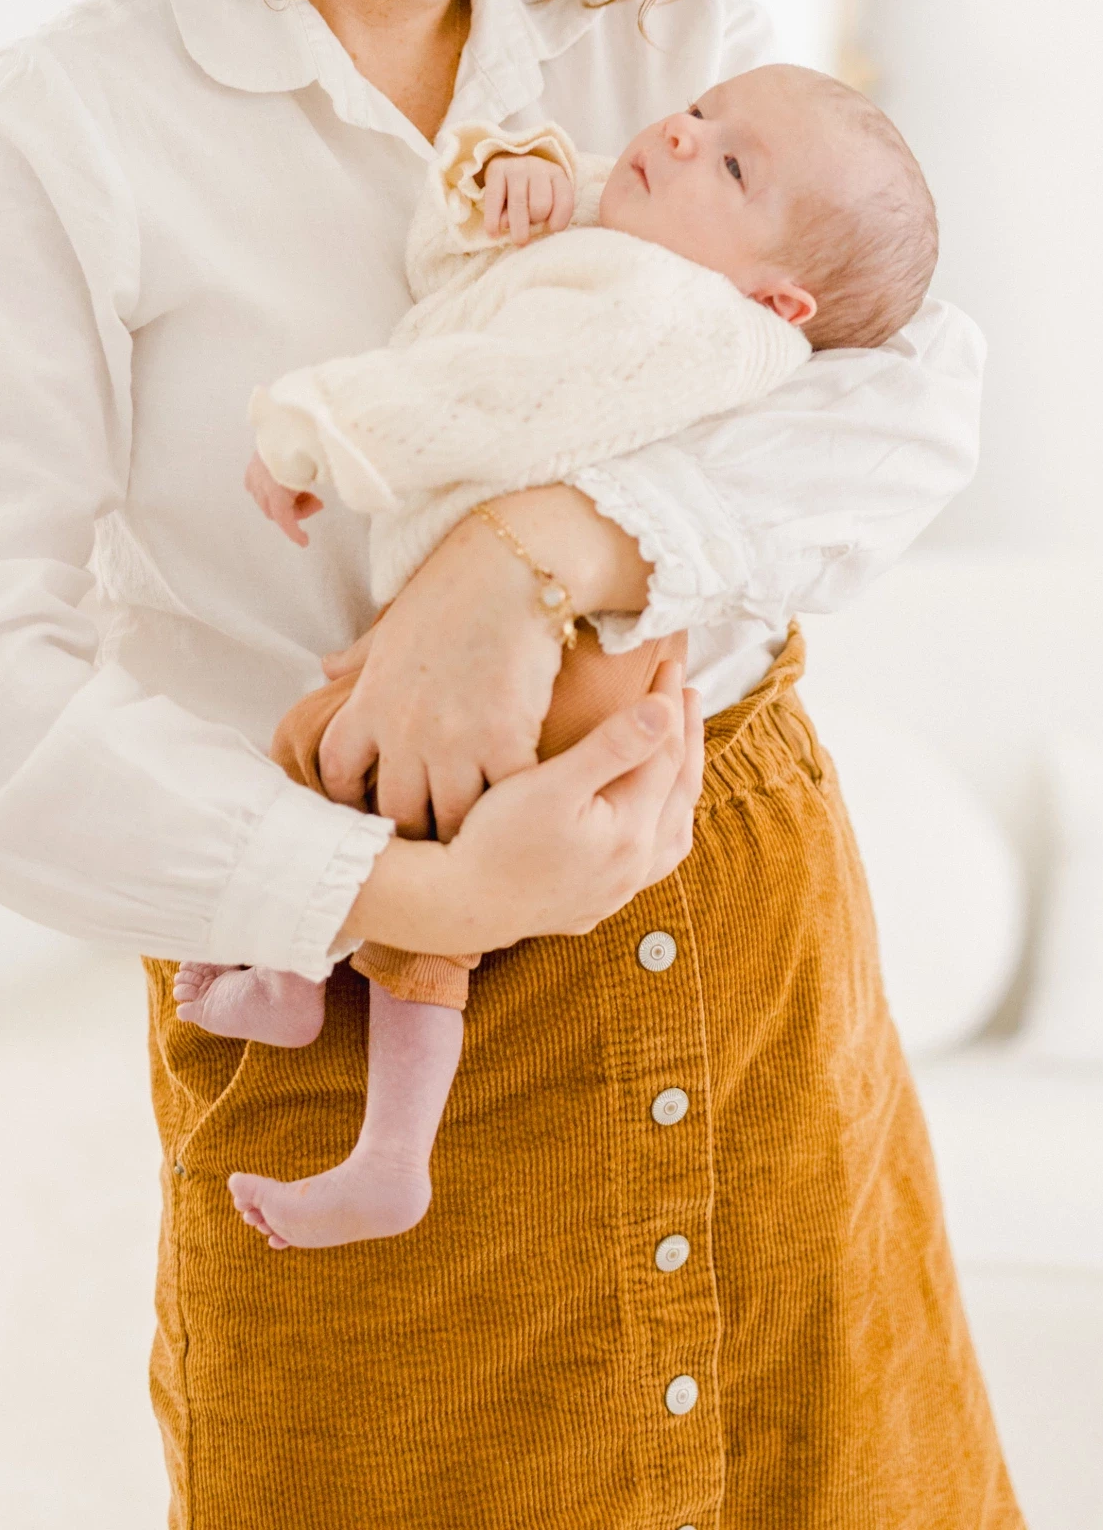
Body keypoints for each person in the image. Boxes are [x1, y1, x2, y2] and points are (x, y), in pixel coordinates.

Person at [0, 0, 1021, 1529]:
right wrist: (407, 887)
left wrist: (534, 548)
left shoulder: (661, 34)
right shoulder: (78, 129)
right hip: (337, 1002)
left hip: (731, 941)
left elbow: (906, 382)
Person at [198, 66, 938, 1252]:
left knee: (441, 847)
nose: (684, 139)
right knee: (329, 747)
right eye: (699, 113)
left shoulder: (672, 316)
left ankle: (390, 1153)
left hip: (579, 655)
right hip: (508, 627)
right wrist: (516, 186)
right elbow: (461, 296)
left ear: (781, 300)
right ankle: (296, 973)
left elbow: (489, 390)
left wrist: (321, 429)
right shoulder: (641, 249)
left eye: (732, 166)